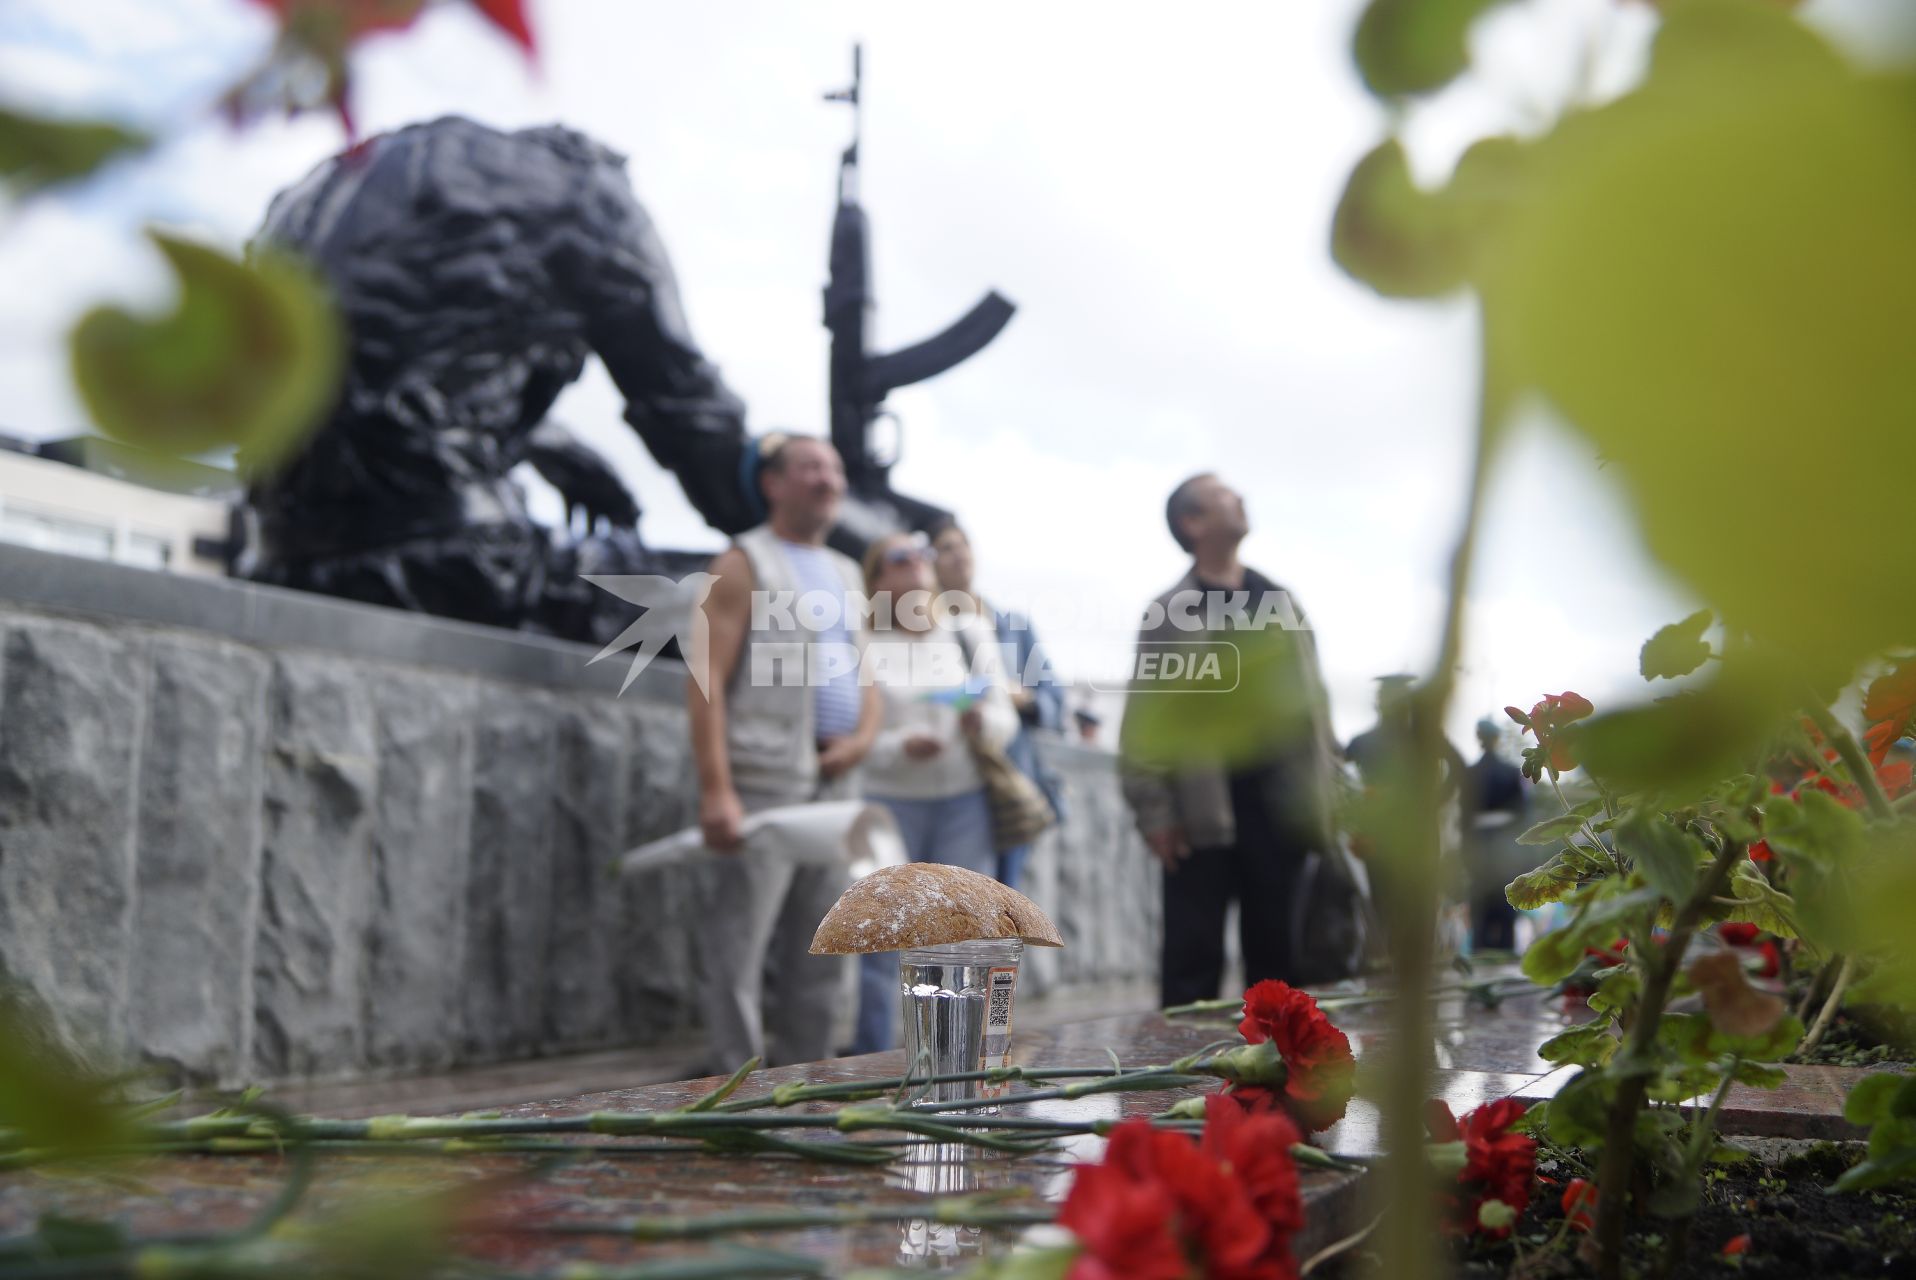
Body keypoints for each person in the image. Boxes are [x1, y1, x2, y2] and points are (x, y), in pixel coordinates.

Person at [1119, 473, 1359, 1006]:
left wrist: (1333, 789)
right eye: (1224, 495)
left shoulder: (1280, 601)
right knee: (1191, 962)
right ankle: (1179, 1076)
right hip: (1200, 813)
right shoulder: (1169, 610)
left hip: (1283, 807)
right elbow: (1145, 718)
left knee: (1279, 964)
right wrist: (1154, 811)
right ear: (1194, 522)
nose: (1241, 497)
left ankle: (1277, 1075)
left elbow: (1314, 705)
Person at [687, 434, 879, 1070]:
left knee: (826, 941)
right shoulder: (744, 562)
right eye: (810, 467)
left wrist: (861, 739)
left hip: (837, 784)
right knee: (739, 944)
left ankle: (806, 1079)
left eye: (834, 466)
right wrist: (717, 787)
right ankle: (732, 1083)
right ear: (773, 483)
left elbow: (865, 675)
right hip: (764, 777)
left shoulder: (850, 573)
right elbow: (705, 676)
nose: (827, 479)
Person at [844, 530, 1022, 1054]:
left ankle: (962, 1059)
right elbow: (852, 733)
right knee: (882, 937)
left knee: (965, 935)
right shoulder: (863, 643)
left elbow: (1004, 715)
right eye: (900, 557)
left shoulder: (967, 630)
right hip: (889, 801)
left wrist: (981, 725)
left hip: (964, 801)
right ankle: (874, 1061)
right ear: (878, 577)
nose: (918, 563)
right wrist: (899, 746)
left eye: (923, 554)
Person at [928, 518, 1066, 891]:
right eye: (945, 548)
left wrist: (1022, 698)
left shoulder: (1013, 626)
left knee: (1005, 904)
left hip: (1008, 775)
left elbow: (1055, 701)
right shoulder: (923, 629)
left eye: (962, 545)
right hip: (949, 775)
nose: (958, 556)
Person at [1463, 717, 1527, 951]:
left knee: (1490, 906)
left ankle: (1484, 954)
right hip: (1502, 845)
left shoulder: (1471, 773)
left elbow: (1464, 818)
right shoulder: (1509, 771)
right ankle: (1501, 953)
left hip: (1484, 845)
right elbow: (1522, 813)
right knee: (1499, 905)